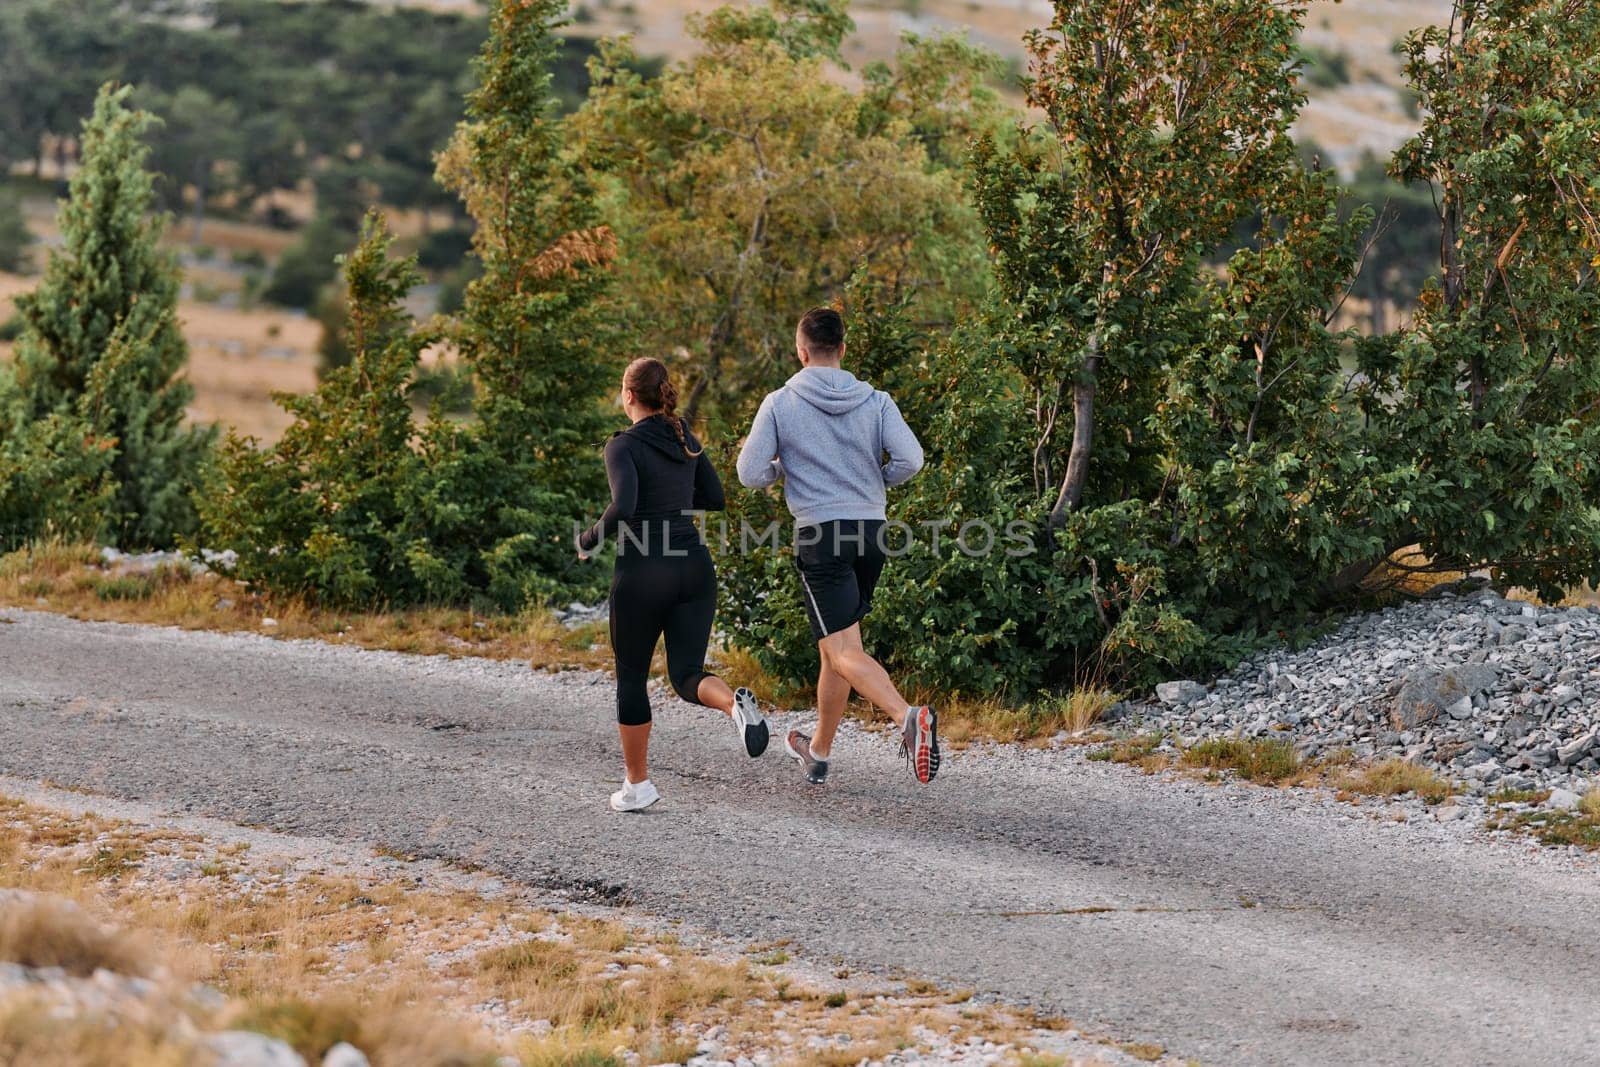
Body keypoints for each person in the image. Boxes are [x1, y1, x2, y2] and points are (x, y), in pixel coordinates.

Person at [736, 307, 938, 786]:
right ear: (843, 349)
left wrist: (782, 471)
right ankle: (819, 752)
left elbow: (749, 472)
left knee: (842, 650)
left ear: (801, 351)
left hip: (821, 534)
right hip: (870, 531)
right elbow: (912, 458)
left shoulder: (781, 402)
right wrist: (876, 481)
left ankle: (907, 717)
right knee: (839, 648)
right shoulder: (876, 400)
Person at [579, 357, 769, 812]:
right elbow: (716, 499)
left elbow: (624, 506)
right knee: (686, 674)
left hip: (644, 571)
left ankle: (638, 784)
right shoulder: (685, 437)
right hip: (694, 567)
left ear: (628, 396)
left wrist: (587, 540)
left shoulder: (621, 445)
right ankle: (733, 706)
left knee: (631, 678)